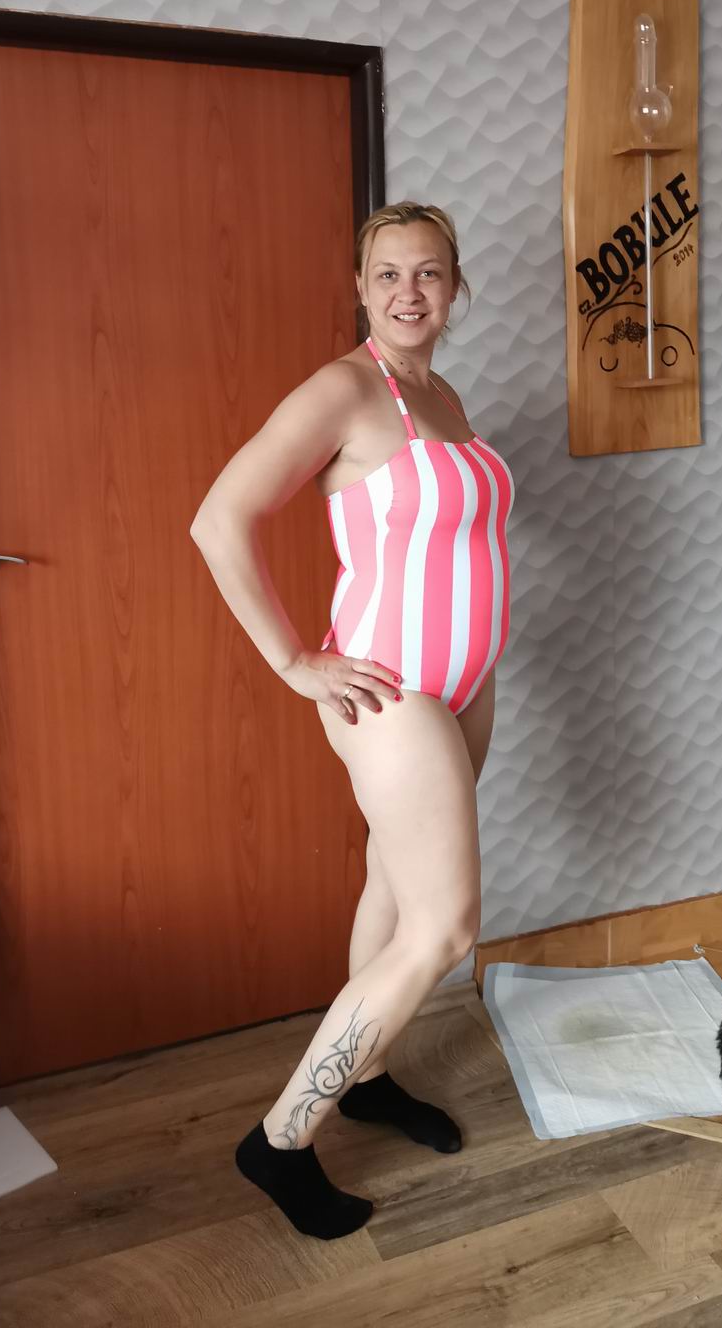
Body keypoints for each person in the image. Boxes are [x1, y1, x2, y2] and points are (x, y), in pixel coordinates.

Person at [190, 201, 514, 1240]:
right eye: (388, 274)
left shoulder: (441, 394)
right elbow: (219, 518)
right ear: (361, 289)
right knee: (445, 926)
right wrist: (294, 660)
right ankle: (281, 1139)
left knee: (391, 882)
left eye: (429, 273)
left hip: (463, 684)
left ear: (455, 288)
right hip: (392, 692)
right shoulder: (346, 389)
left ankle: (366, 1078)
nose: (409, 291)